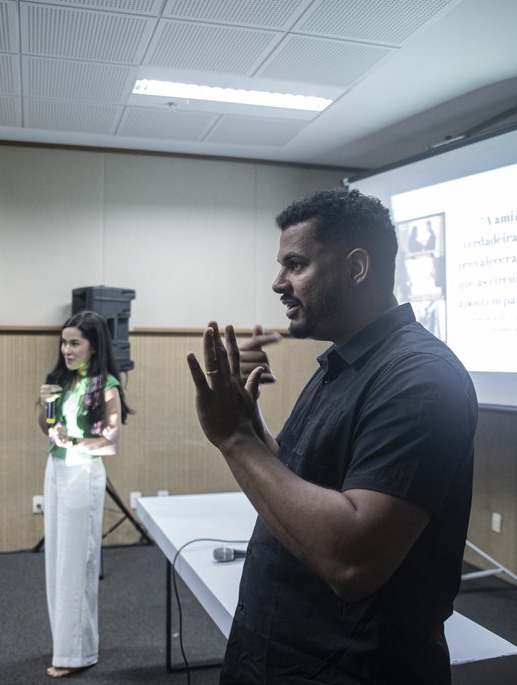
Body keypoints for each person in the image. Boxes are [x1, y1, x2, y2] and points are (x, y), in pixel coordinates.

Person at [186, 188, 478, 683]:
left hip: (350, 668)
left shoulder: (421, 378)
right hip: (276, 653)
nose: (278, 283)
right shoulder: (342, 362)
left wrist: (234, 441)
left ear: (356, 267)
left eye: (295, 264)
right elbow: (301, 479)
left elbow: (351, 560)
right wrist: (249, 426)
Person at [37, 311, 132, 679]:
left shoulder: (107, 383)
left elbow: (109, 443)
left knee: (78, 563)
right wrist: (46, 403)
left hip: (83, 472)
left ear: (94, 344)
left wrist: (69, 439)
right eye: (64, 342)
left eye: (75, 342)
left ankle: (77, 653)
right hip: (57, 469)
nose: (67, 349)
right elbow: (47, 429)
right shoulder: (61, 380)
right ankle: (64, 645)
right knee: (56, 563)